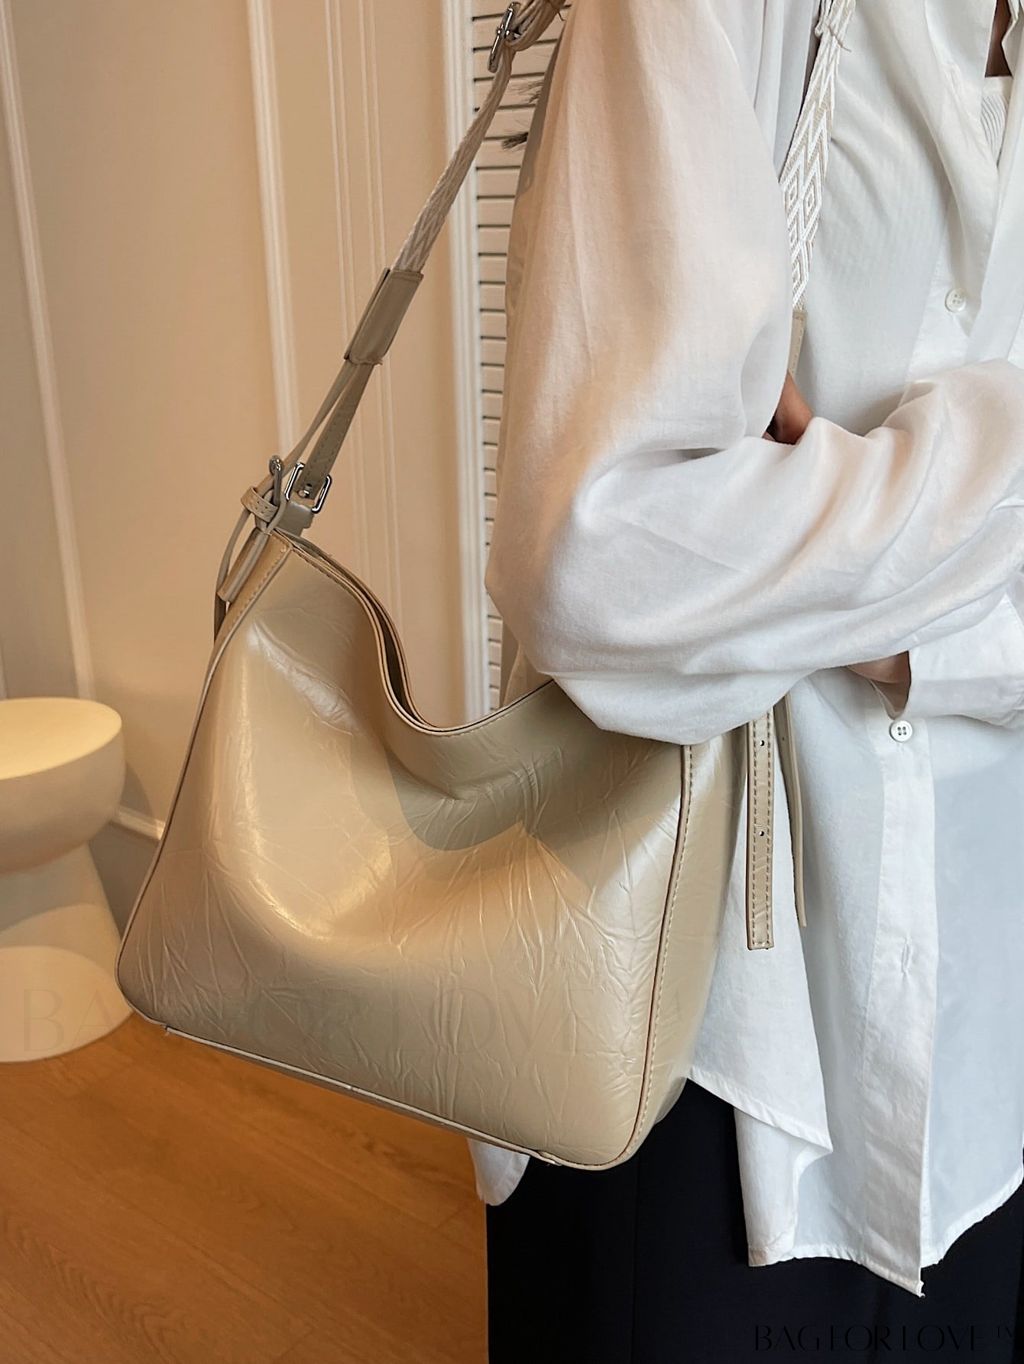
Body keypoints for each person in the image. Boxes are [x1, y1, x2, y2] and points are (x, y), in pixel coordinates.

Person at [475, 1, 1024, 1361]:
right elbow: (598, 558)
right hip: (703, 1016)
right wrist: (991, 464)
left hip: (988, 1036)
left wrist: (908, 633)